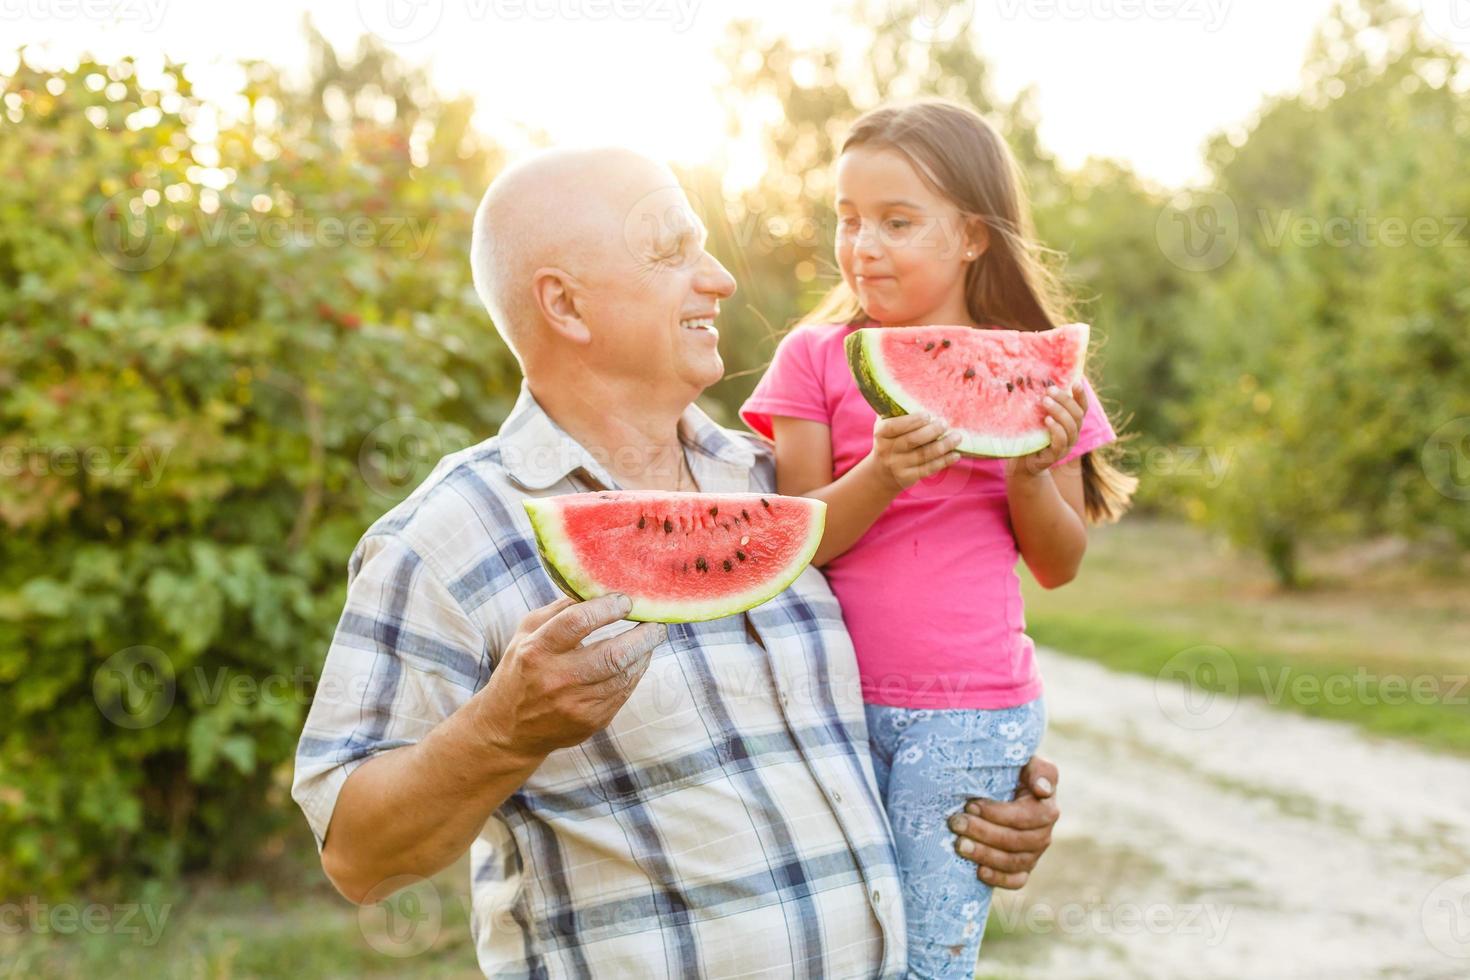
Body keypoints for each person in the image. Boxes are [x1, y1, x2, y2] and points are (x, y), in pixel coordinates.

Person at [292, 146, 1063, 978]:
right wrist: (500, 732)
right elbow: (358, 858)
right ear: (566, 305)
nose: (722, 279)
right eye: (673, 252)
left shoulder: (783, 493)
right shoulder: (448, 537)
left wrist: (972, 795)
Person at [739, 100, 1136, 977]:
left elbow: (1060, 566)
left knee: (925, 963)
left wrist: (1030, 469)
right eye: (847, 221)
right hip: (825, 702)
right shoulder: (812, 359)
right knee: (828, 953)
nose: (862, 246)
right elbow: (796, 539)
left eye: (897, 222)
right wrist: (879, 475)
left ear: (973, 237)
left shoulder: (1039, 370)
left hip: (971, 711)